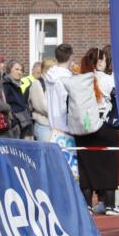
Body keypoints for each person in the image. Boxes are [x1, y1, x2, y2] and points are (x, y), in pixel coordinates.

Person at [76, 47, 119, 215]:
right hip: (104, 125)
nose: (105, 62)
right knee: (109, 166)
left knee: (85, 167)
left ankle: (87, 205)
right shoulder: (108, 79)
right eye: (102, 59)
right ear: (97, 62)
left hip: (83, 127)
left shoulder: (78, 79)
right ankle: (109, 205)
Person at [44, 43, 78, 179]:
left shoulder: (50, 75)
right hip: (66, 131)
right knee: (70, 176)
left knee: (55, 175)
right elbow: (67, 104)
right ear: (70, 57)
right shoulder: (66, 79)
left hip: (53, 129)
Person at [3, 59, 34, 138]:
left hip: (23, 123)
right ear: (9, 70)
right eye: (16, 69)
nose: (19, 72)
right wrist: (14, 121)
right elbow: (5, 103)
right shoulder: (6, 85)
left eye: (21, 70)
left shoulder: (17, 85)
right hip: (15, 124)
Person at [29, 57, 54, 142]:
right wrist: (58, 111)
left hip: (54, 126)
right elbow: (41, 106)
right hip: (43, 125)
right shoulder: (37, 83)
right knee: (44, 153)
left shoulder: (53, 83)